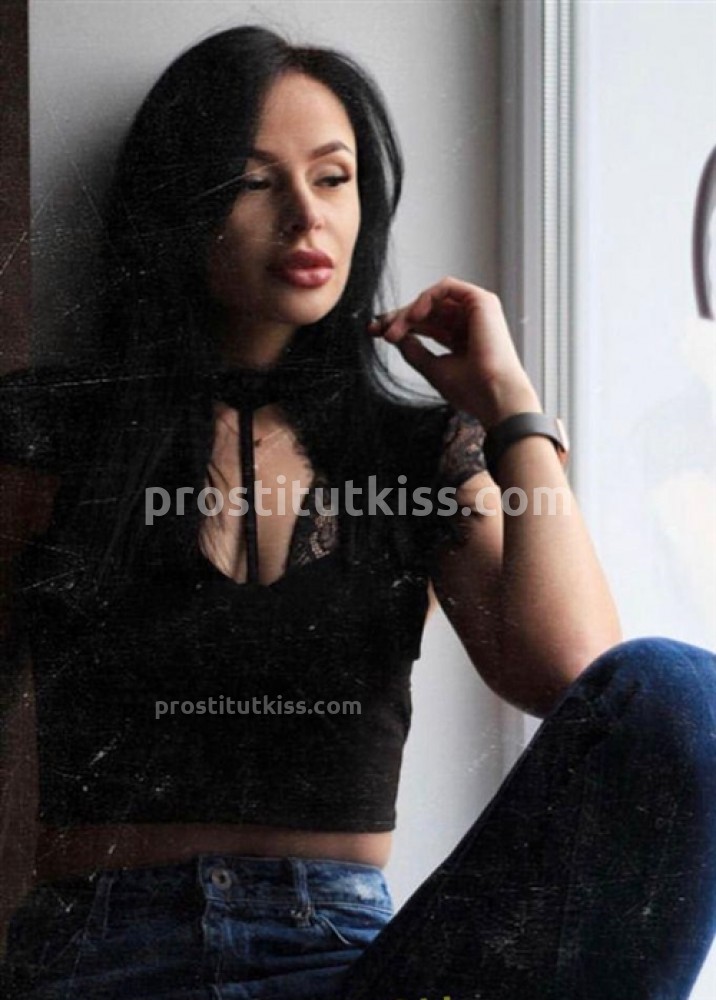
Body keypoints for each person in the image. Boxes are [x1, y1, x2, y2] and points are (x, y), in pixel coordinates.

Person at [1, 24, 715, 1000]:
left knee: (681, 692)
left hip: (348, 963)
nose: (307, 215)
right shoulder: (48, 431)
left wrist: (508, 407)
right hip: (105, 962)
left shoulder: (418, 451)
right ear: (180, 205)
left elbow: (576, 676)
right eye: (255, 182)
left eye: (332, 178)